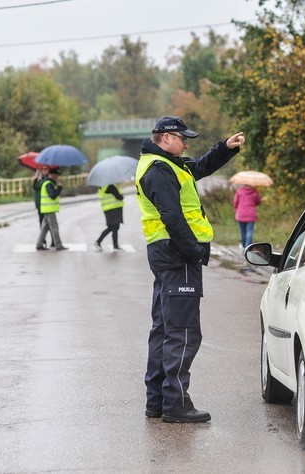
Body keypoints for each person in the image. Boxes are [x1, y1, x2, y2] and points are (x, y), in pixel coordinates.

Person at [137, 115, 244, 423]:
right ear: (166, 138)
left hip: (167, 254)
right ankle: (176, 403)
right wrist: (194, 252)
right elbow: (172, 217)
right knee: (183, 332)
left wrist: (225, 148)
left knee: (164, 329)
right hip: (177, 254)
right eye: (183, 139)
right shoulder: (159, 170)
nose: (186, 144)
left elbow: (198, 168)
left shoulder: (168, 164)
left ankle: (156, 402)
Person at [35, 167, 68, 251]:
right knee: (54, 228)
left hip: (46, 209)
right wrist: (59, 187)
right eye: (56, 175)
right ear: (52, 175)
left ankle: (39, 244)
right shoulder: (48, 183)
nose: (57, 177)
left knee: (45, 228)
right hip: (49, 209)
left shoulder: (47, 182)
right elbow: (52, 195)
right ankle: (58, 245)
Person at [93, 184, 124, 251]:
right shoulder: (111, 186)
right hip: (114, 208)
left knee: (111, 227)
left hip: (107, 209)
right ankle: (114, 245)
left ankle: (98, 242)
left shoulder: (101, 186)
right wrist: (121, 196)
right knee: (115, 227)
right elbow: (119, 197)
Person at [233, 184, 262, 249]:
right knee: (250, 231)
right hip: (251, 214)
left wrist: (236, 210)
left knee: (242, 230)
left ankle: (243, 245)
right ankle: (247, 247)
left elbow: (235, 202)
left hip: (241, 213)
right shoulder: (255, 191)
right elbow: (258, 201)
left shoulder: (239, 191)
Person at [32, 165, 54, 247]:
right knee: (43, 224)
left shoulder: (47, 180)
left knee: (50, 224)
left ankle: (52, 241)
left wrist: (36, 178)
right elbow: (34, 187)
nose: (43, 171)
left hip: (46, 206)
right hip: (40, 205)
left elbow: (38, 186)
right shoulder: (40, 179)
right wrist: (36, 177)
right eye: (42, 169)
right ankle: (43, 240)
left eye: (45, 169)